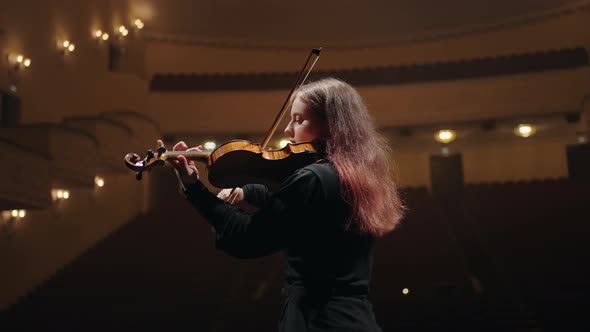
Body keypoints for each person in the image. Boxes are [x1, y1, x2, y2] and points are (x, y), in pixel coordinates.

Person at [159, 77, 404, 331]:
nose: (288, 129)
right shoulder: (353, 176)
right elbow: (289, 203)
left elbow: (246, 237)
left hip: (317, 323)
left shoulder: (311, 179)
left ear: (331, 124)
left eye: (299, 120)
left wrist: (194, 188)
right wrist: (245, 192)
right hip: (355, 318)